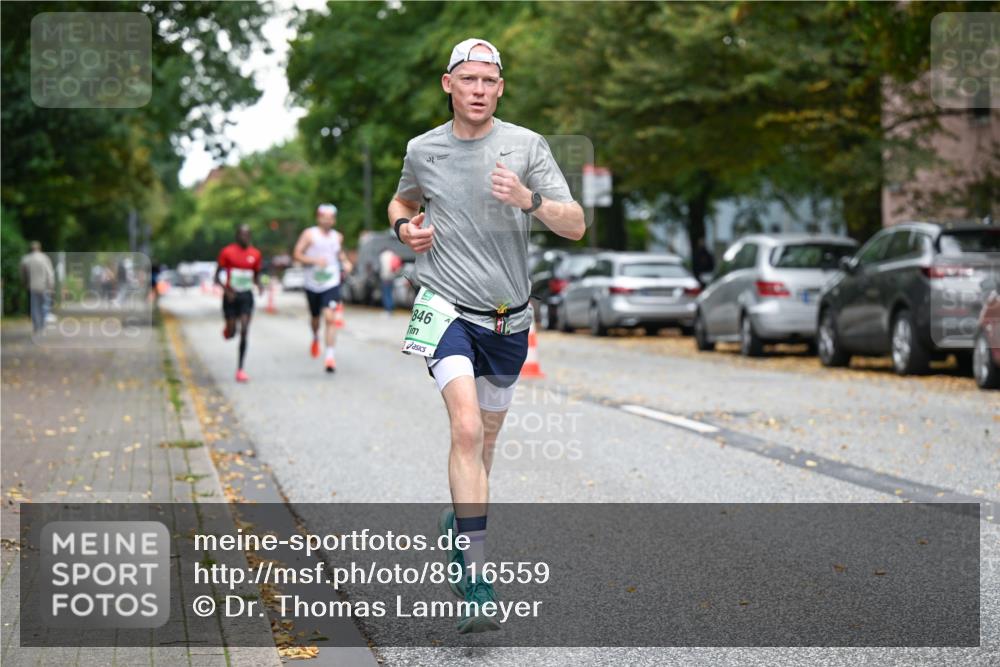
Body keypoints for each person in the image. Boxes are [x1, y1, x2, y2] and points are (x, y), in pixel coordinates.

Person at [388, 38, 585, 633]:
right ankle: (477, 582)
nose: (478, 90)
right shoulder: (423, 149)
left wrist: (528, 199)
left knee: (487, 439)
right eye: (468, 79)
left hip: (508, 318)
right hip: (443, 305)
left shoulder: (527, 146)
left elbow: (575, 225)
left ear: (500, 88)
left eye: (488, 81)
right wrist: (405, 229)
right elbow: (402, 198)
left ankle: (460, 523)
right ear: (448, 84)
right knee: (467, 428)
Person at [293, 203, 353, 373]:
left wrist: (346, 262)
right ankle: (315, 336)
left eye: (330, 218)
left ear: (334, 220)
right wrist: (314, 261)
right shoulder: (309, 234)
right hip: (312, 284)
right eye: (324, 217)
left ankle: (330, 356)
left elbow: (339, 253)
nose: (327, 221)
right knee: (315, 318)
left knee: (330, 318)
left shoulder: (337, 237)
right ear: (318, 218)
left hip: (330, 282)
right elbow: (297, 254)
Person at [215, 225, 263, 383]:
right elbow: (216, 277)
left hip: (246, 296)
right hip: (231, 296)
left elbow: (256, 275)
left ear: (250, 236)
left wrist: (260, 285)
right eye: (242, 234)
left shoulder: (255, 254)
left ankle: (240, 369)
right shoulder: (227, 252)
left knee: (244, 330)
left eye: (247, 235)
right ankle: (228, 329)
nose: (244, 237)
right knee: (231, 333)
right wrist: (226, 290)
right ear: (237, 236)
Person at [20, 241, 55, 333]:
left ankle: (36, 325)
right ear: (40, 248)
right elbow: (49, 273)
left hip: (32, 286)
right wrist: (51, 285)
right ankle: (42, 325)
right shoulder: (45, 258)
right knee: (44, 305)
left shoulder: (26, 259)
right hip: (44, 286)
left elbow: (23, 273)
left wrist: (24, 282)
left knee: (34, 306)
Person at [378, 248, 401, 315]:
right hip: (392, 276)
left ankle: (388, 310)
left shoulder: (383, 256)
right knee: (390, 293)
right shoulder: (393, 254)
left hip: (386, 277)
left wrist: (385, 276)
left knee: (386, 294)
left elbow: (385, 268)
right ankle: (391, 309)